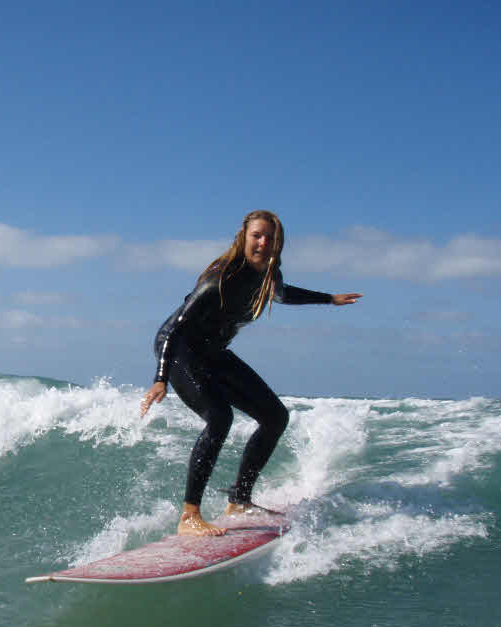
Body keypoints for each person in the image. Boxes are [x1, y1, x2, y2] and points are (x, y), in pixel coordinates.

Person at [140, 210, 361, 536]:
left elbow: (285, 295)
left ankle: (239, 499)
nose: (263, 242)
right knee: (219, 418)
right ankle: (189, 515)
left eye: (270, 238)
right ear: (243, 237)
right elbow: (176, 329)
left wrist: (329, 299)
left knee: (274, 417)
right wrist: (160, 378)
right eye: (257, 235)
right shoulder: (221, 280)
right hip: (180, 351)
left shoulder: (269, 277)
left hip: (213, 353)